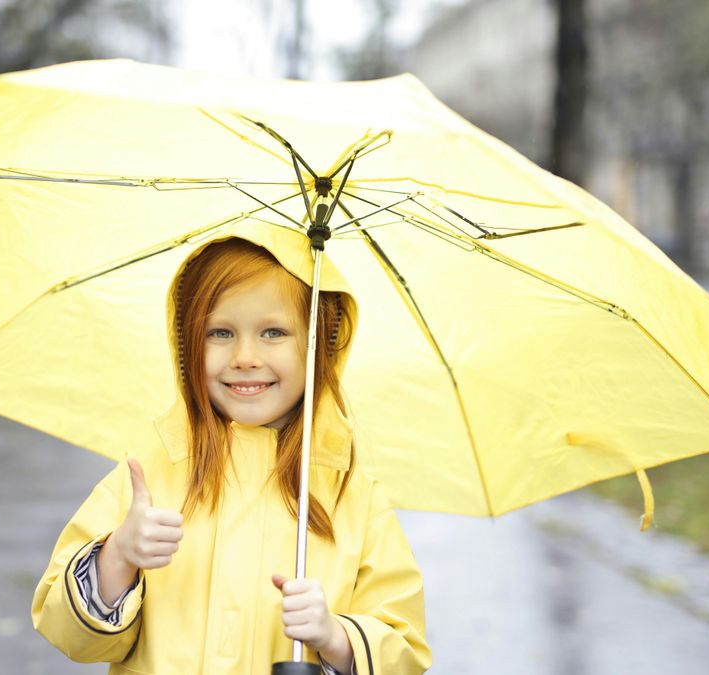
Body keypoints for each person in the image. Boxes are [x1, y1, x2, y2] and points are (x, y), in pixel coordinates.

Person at [32, 236, 431, 674]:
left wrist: (336, 638)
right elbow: (66, 632)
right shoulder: (149, 476)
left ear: (319, 345)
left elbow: (405, 651)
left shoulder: (354, 500)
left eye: (273, 333)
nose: (244, 357)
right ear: (187, 346)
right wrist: (119, 556)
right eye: (220, 333)